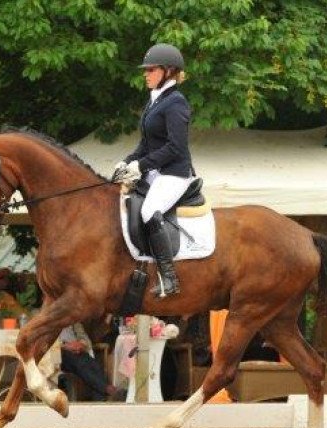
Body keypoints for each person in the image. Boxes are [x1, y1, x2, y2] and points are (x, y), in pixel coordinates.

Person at [113, 43, 196, 298]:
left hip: (175, 173)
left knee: (150, 211)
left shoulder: (176, 103)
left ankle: (169, 277)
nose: (145, 74)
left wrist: (143, 165)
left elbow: (175, 147)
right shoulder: (155, 101)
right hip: (156, 172)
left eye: (151, 69)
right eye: (146, 70)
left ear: (168, 71)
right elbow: (146, 144)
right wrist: (127, 162)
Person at [58, 322, 121, 401]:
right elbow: (47, 341)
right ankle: (107, 389)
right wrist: (65, 346)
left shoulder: (73, 318)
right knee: (79, 362)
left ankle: (100, 400)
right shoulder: (47, 317)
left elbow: (84, 337)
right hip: (60, 353)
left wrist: (81, 344)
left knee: (94, 364)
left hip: (78, 351)